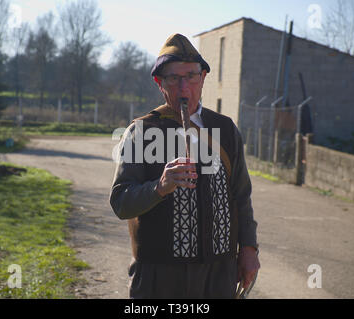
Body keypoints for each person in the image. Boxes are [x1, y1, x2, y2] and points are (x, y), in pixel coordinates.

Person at [109, 33, 260, 299]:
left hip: (219, 273)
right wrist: (160, 187)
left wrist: (249, 249)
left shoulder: (225, 129)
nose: (184, 87)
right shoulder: (141, 131)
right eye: (174, 78)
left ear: (202, 78)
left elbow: (241, 196)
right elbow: (121, 202)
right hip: (160, 274)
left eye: (191, 76)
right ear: (159, 83)